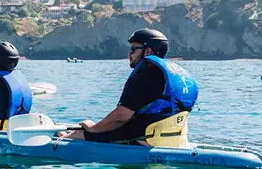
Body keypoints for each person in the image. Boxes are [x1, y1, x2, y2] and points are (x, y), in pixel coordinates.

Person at [59, 28, 197, 143]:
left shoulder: (143, 76)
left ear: (147, 51)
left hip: (141, 139)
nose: (129, 54)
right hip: (173, 140)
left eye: (133, 49)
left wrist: (93, 128)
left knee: (76, 135)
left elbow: (121, 117)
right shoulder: (176, 75)